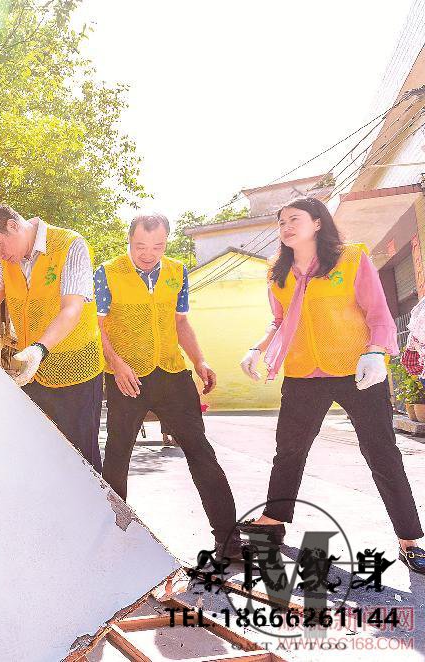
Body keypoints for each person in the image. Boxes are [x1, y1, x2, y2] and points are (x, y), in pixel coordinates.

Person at [239, 196, 424, 574]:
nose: (286, 226)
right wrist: (256, 349)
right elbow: (278, 321)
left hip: (358, 369)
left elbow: (378, 312)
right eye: (281, 222)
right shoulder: (279, 272)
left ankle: (409, 539)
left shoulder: (351, 257)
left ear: (318, 222)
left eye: (294, 219)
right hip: (304, 372)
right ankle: (273, 524)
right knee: (288, 450)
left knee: (381, 452)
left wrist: (376, 353)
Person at [96, 213, 240, 558]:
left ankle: (228, 539)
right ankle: (113, 537)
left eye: (158, 246)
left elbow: (181, 323)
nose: (149, 253)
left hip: (172, 374)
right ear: (129, 241)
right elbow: (96, 327)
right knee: (117, 455)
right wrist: (117, 366)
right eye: (141, 246)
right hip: (127, 377)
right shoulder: (107, 272)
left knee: (200, 450)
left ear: (166, 242)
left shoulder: (177, 271)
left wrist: (199, 360)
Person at [0, 201, 105, 469]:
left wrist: (39, 349)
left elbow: (72, 309)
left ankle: (100, 510)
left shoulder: (70, 245)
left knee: (83, 463)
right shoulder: (5, 263)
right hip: (33, 372)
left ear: (12, 225)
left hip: (76, 372)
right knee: (32, 455)